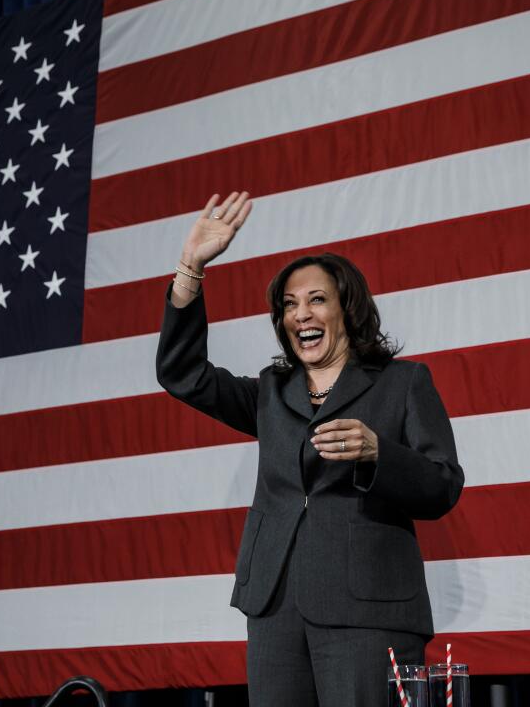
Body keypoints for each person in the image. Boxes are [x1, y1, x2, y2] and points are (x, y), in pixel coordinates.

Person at [157, 191, 464, 706]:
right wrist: (190, 270)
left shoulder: (403, 383)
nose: (301, 314)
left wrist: (377, 454)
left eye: (317, 299)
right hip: (275, 606)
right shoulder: (270, 392)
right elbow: (183, 374)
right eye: (289, 304)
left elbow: (442, 485)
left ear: (348, 308)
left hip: (367, 610)